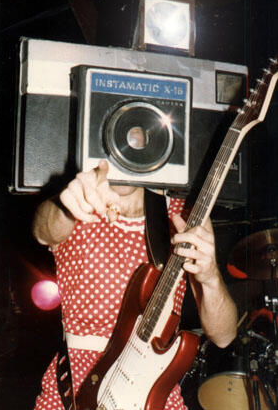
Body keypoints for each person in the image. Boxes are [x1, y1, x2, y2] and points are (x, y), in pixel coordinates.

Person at [32, 159, 238, 410]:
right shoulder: (77, 199)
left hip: (151, 386)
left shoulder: (183, 215)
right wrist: (65, 206)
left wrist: (210, 276)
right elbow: (43, 231)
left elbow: (225, 336)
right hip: (77, 386)